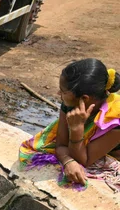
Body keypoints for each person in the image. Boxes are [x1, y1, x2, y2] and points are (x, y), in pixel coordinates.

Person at [19, 59, 120, 191]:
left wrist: (76, 129)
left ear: (84, 99)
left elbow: (83, 160)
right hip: (82, 152)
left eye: (63, 91)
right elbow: (60, 145)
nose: (58, 94)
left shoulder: (114, 118)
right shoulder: (70, 106)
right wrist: (67, 161)